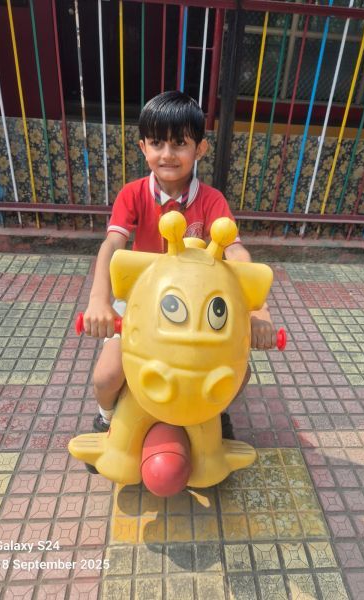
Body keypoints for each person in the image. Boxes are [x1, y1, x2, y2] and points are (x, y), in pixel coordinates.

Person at [83, 90, 276, 436]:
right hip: (140, 300)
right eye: (157, 143)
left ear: (199, 149)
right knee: (107, 375)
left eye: (180, 144)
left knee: (239, 372)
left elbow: (235, 251)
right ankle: (107, 416)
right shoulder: (132, 194)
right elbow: (112, 245)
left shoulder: (212, 200)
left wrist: (257, 311)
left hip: (196, 305)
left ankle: (213, 411)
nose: (167, 154)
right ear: (143, 147)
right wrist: (99, 301)